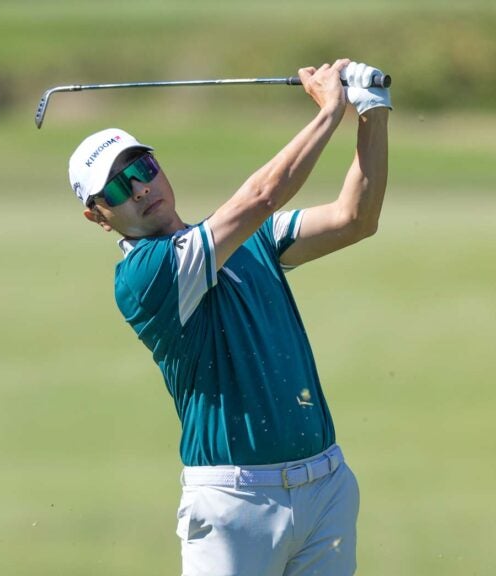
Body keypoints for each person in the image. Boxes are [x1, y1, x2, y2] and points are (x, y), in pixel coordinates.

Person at [65, 59, 390, 576]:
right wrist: (331, 109)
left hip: (326, 488)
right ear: (97, 217)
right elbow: (263, 195)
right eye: (118, 190)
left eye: (142, 170)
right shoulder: (146, 276)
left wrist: (371, 111)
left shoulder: (250, 240)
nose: (141, 189)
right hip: (234, 504)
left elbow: (356, 218)